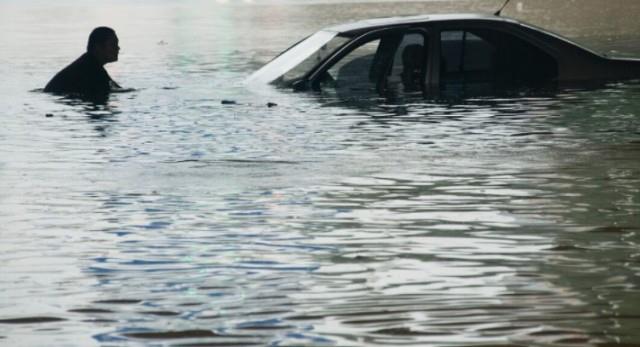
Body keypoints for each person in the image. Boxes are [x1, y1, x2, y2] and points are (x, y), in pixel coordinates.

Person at [44, 27, 122, 98]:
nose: (118, 48)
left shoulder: (89, 63)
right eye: (113, 44)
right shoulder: (91, 69)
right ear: (98, 47)